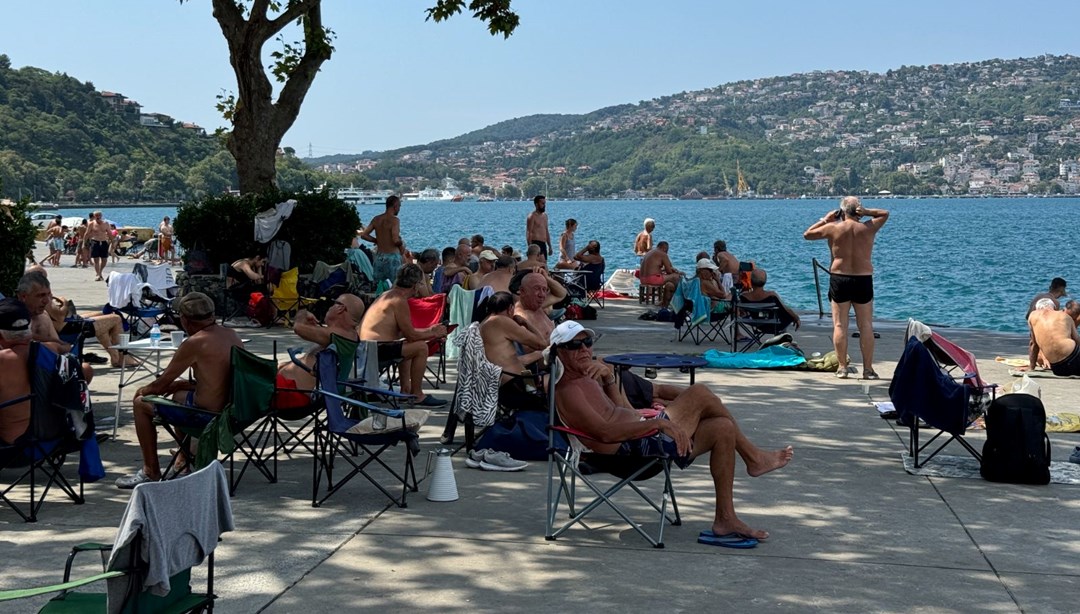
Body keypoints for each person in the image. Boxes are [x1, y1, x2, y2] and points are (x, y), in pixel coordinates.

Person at [550, 321, 793, 541]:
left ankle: (725, 519)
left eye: (587, 342)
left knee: (723, 428)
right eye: (574, 345)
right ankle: (754, 458)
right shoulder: (568, 390)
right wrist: (658, 423)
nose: (583, 349)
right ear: (559, 352)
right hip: (628, 453)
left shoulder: (589, 376)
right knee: (699, 393)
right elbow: (604, 433)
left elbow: (624, 410)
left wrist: (609, 380)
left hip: (641, 437)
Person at [116, 292, 244, 487]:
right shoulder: (231, 334)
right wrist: (181, 385)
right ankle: (182, 460)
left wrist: (142, 390)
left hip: (207, 415)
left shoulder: (194, 343)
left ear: (185, 320)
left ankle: (151, 471)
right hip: (234, 411)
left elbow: (159, 386)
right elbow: (221, 377)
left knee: (141, 404)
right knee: (179, 394)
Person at [803, 196, 888, 379]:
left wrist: (826, 219)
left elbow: (807, 234)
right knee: (865, 325)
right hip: (863, 278)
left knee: (840, 324)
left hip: (840, 278)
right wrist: (866, 212)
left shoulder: (834, 228)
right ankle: (868, 370)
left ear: (841, 211)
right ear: (858, 210)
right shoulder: (867, 228)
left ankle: (842, 368)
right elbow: (884, 213)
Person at [358, 264, 448, 407]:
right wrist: (432, 333)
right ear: (416, 285)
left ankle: (406, 391)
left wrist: (431, 331)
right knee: (420, 348)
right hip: (374, 350)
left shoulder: (387, 295)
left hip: (366, 347)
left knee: (407, 346)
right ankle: (418, 394)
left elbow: (404, 331)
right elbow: (412, 335)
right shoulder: (399, 300)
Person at [275, 294, 365, 408]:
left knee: (247, 378)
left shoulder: (337, 334)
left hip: (291, 394)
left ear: (340, 308)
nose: (330, 307)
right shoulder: (347, 335)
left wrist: (303, 313)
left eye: (333, 303)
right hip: (287, 389)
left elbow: (298, 327)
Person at [16, 270, 94, 383]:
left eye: (48, 295)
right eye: (40, 295)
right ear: (23, 297)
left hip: (48, 367)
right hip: (23, 369)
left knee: (86, 370)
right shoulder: (13, 317)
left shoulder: (43, 316)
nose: (46, 300)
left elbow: (59, 345)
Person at [479, 291, 548, 411]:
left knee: (539, 375)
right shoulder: (501, 321)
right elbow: (541, 343)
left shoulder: (484, 324)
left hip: (502, 384)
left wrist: (537, 354)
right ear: (511, 308)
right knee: (557, 381)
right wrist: (526, 323)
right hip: (516, 386)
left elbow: (507, 359)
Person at [45, 294, 135, 368]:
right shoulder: (44, 299)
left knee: (103, 315)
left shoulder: (39, 297)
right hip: (70, 328)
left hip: (69, 323)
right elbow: (60, 316)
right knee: (116, 319)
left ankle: (115, 356)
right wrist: (64, 302)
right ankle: (123, 357)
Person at [0, 298, 32, 445]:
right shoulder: (50, 351)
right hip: (48, 441)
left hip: (10, 449)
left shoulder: (3, 361)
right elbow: (86, 370)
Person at [360, 195, 406, 284]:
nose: (399, 209)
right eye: (399, 206)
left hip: (379, 257)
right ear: (395, 206)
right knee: (394, 286)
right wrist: (401, 245)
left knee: (379, 286)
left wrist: (376, 240)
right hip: (392, 257)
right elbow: (395, 240)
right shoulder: (395, 220)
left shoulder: (376, 219)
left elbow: (364, 235)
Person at [1027, 299, 1080, 375]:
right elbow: (1077, 340)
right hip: (1074, 357)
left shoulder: (1032, 316)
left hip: (1058, 369)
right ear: (1054, 308)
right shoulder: (1065, 316)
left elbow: (1033, 344)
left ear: (1037, 309)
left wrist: (1031, 367)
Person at [512, 270, 567, 339]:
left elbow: (561, 294)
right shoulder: (520, 317)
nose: (542, 295)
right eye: (536, 288)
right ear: (522, 291)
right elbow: (528, 348)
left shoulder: (536, 304)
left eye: (544, 289)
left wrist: (546, 278)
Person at [1026, 278, 1067, 368]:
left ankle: (1032, 366)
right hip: (1043, 325)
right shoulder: (1055, 302)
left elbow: (1027, 316)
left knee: (1034, 342)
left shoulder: (1038, 296)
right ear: (1061, 289)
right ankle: (1044, 359)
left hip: (1033, 319)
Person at [639, 241, 683, 308]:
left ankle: (664, 299)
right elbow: (669, 271)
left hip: (642, 279)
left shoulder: (650, 252)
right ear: (664, 248)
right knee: (676, 277)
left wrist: (663, 270)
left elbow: (653, 268)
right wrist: (676, 272)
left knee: (670, 279)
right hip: (652, 279)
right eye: (667, 250)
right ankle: (675, 300)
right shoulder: (662, 254)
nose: (667, 252)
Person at [86, 210, 111, 281]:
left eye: (99, 215)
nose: (98, 217)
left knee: (104, 260)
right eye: (96, 215)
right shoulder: (91, 224)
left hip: (104, 242)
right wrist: (84, 242)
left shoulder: (106, 223)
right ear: (94, 216)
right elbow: (87, 233)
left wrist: (113, 242)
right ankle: (98, 274)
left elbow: (109, 233)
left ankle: (100, 272)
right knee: (96, 259)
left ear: (101, 216)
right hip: (95, 241)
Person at [525, 194, 551, 262]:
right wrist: (530, 247)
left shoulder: (545, 216)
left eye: (544, 203)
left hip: (543, 244)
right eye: (542, 203)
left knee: (544, 263)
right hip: (535, 243)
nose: (544, 205)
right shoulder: (532, 216)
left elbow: (546, 231)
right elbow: (529, 232)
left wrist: (550, 246)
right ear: (536, 204)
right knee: (540, 264)